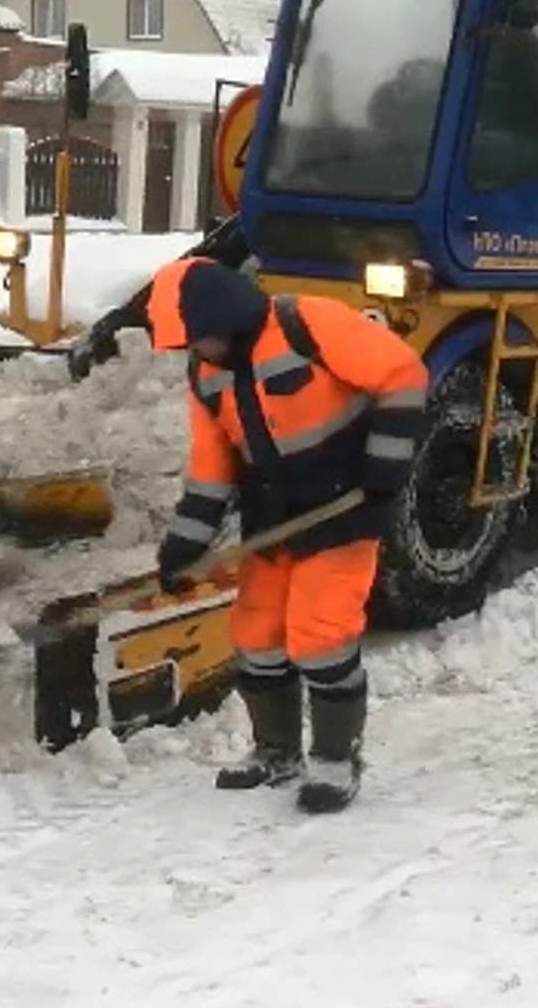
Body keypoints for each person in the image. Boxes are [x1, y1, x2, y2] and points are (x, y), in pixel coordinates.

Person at [144, 257, 428, 814]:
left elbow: (402, 375)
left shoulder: (308, 324)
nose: (197, 352)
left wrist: (384, 469)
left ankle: (334, 762)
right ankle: (277, 752)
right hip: (273, 523)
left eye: (200, 339)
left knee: (320, 636)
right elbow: (212, 469)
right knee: (256, 638)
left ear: (224, 316)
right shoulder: (206, 377)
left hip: (344, 510)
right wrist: (184, 547)